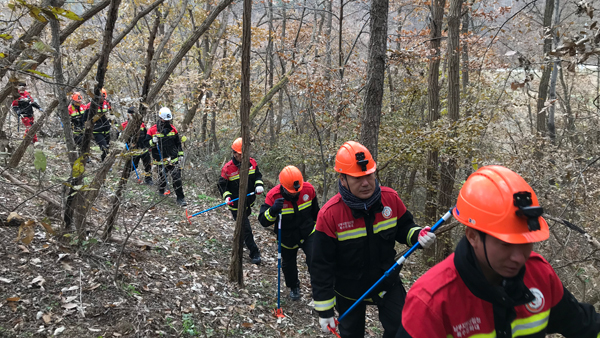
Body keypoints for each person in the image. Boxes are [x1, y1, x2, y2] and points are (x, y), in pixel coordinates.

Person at [398, 165, 600, 338]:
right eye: (506, 244)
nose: (519, 257)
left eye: (525, 243)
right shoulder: (431, 301)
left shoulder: (539, 275)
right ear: (473, 236)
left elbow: (584, 325)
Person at [310, 141, 436, 338]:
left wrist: (418, 235)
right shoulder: (330, 215)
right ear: (343, 179)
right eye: (357, 178)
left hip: (387, 281)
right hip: (349, 291)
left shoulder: (390, 199)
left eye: (369, 175)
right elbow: (320, 265)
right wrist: (324, 309)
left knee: (403, 329)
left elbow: (405, 228)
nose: (366, 183)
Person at [258, 165, 319, 300]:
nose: (295, 193)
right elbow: (263, 221)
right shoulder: (273, 196)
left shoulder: (308, 190)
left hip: (308, 233)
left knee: (316, 260)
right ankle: (294, 287)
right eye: (292, 192)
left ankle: (319, 291)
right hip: (287, 237)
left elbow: (316, 213)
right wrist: (273, 210)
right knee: (289, 265)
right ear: (283, 186)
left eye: (297, 191)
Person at [218, 137, 264, 265]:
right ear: (234, 153)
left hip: (249, 202)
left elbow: (258, 176)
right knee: (246, 227)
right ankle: (254, 252)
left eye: (244, 154)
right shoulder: (228, 168)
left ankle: (241, 236)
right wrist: (226, 197)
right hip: (235, 204)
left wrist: (258, 185)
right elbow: (222, 185)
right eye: (239, 155)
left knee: (244, 226)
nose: (242, 157)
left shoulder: (252, 163)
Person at [145, 107, 186, 206]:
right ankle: (161, 191)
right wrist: (152, 142)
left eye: (168, 120)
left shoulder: (173, 129)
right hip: (160, 160)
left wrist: (180, 154)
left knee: (177, 178)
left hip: (173, 159)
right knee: (162, 177)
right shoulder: (152, 130)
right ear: (160, 118)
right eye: (165, 119)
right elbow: (146, 144)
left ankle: (180, 198)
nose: (167, 121)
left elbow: (178, 143)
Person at [121, 106, 152, 185]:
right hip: (133, 149)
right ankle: (125, 178)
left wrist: (148, 146)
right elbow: (121, 139)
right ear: (129, 115)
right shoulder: (124, 125)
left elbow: (146, 135)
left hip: (143, 147)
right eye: (132, 114)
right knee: (132, 165)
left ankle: (148, 179)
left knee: (147, 164)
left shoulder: (141, 125)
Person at [88, 88, 113, 162]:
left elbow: (112, 116)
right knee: (104, 148)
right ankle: (104, 162)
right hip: (97, 131)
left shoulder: (107, 104)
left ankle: (103, 161)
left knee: (107, 148)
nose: (102, 100)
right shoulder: (91, 105)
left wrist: (117, 126)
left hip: (106, 130)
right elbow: (85, 118)